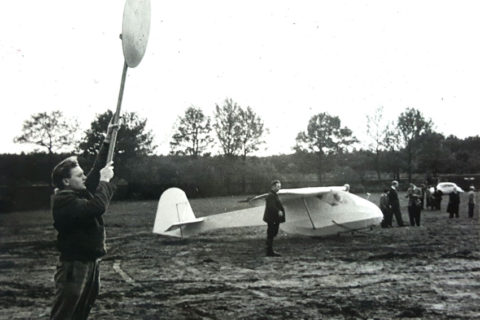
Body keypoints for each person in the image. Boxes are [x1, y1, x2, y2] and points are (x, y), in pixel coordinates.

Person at [50, 123, 117, 320]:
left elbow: (96, 171)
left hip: (89, 262)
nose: (84, 177)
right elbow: (96, 207)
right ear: (66, 181)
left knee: (81, 311)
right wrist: (105, 182)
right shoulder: (64, 200)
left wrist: (108, 139)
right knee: (65, 313)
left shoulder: (77, 192)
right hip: (74, 265)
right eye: (79, 176)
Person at [263, 179, 286, 257]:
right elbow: (271, 206)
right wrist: (278, 211)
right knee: (271, 233)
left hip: (273, 218)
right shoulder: (271, 195)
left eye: (279, 186)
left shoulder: (273, 195)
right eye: (277, 186)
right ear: (273, 186)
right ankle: (269, 251)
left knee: (272, 233)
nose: (279, 188)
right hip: (271, 218)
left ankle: (269, 250)